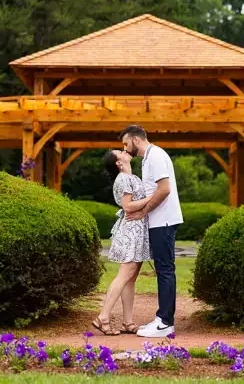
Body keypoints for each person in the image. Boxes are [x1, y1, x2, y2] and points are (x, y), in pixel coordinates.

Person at [120, 124, 183, 338]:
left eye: (126, 143)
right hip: (158, 221)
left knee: (165, 269)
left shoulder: (156, 155)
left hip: (163, 221)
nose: (126, 149)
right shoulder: (148, 159)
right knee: (162, 269)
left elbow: (164, 189)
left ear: (136, 140)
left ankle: (165, 322)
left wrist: (143, 212)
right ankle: (162, 318)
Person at [91, 149, 152, 336]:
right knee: (125, 275)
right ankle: (103, 317)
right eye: (120, 152)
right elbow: (127, 206)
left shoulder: (131, 177)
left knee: (130, 278)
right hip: (131, 231)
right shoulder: (124, 179)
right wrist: (153, 197)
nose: (125, 150)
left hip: (137, 229)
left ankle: (127, 322)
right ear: (118, 163)